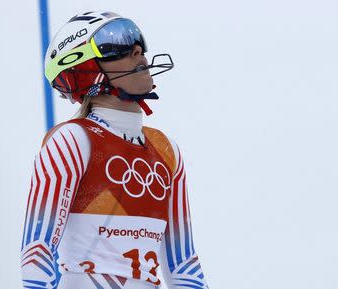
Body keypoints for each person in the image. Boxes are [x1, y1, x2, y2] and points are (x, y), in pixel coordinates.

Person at [20, 11, 210, 289]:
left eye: (138, 41)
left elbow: (184, 263)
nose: (138, 50)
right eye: (116, 44)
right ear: (85, 68)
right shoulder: (73, 139)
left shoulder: (166, 149)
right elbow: (37, 253)